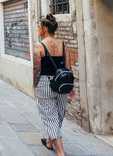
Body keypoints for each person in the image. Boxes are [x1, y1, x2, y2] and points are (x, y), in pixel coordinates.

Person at [33, 13, 73, 156]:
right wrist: (71, 87)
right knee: (58, 115)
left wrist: (35, 85)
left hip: (45, 83)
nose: (37, 29)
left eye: (38, 27)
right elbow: (68, 68)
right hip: (62, 84)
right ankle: (49, 142)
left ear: (44, 29)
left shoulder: (39, 46)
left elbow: (37, 69)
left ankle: (60, 152)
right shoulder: (63, 45)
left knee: (50, 117)